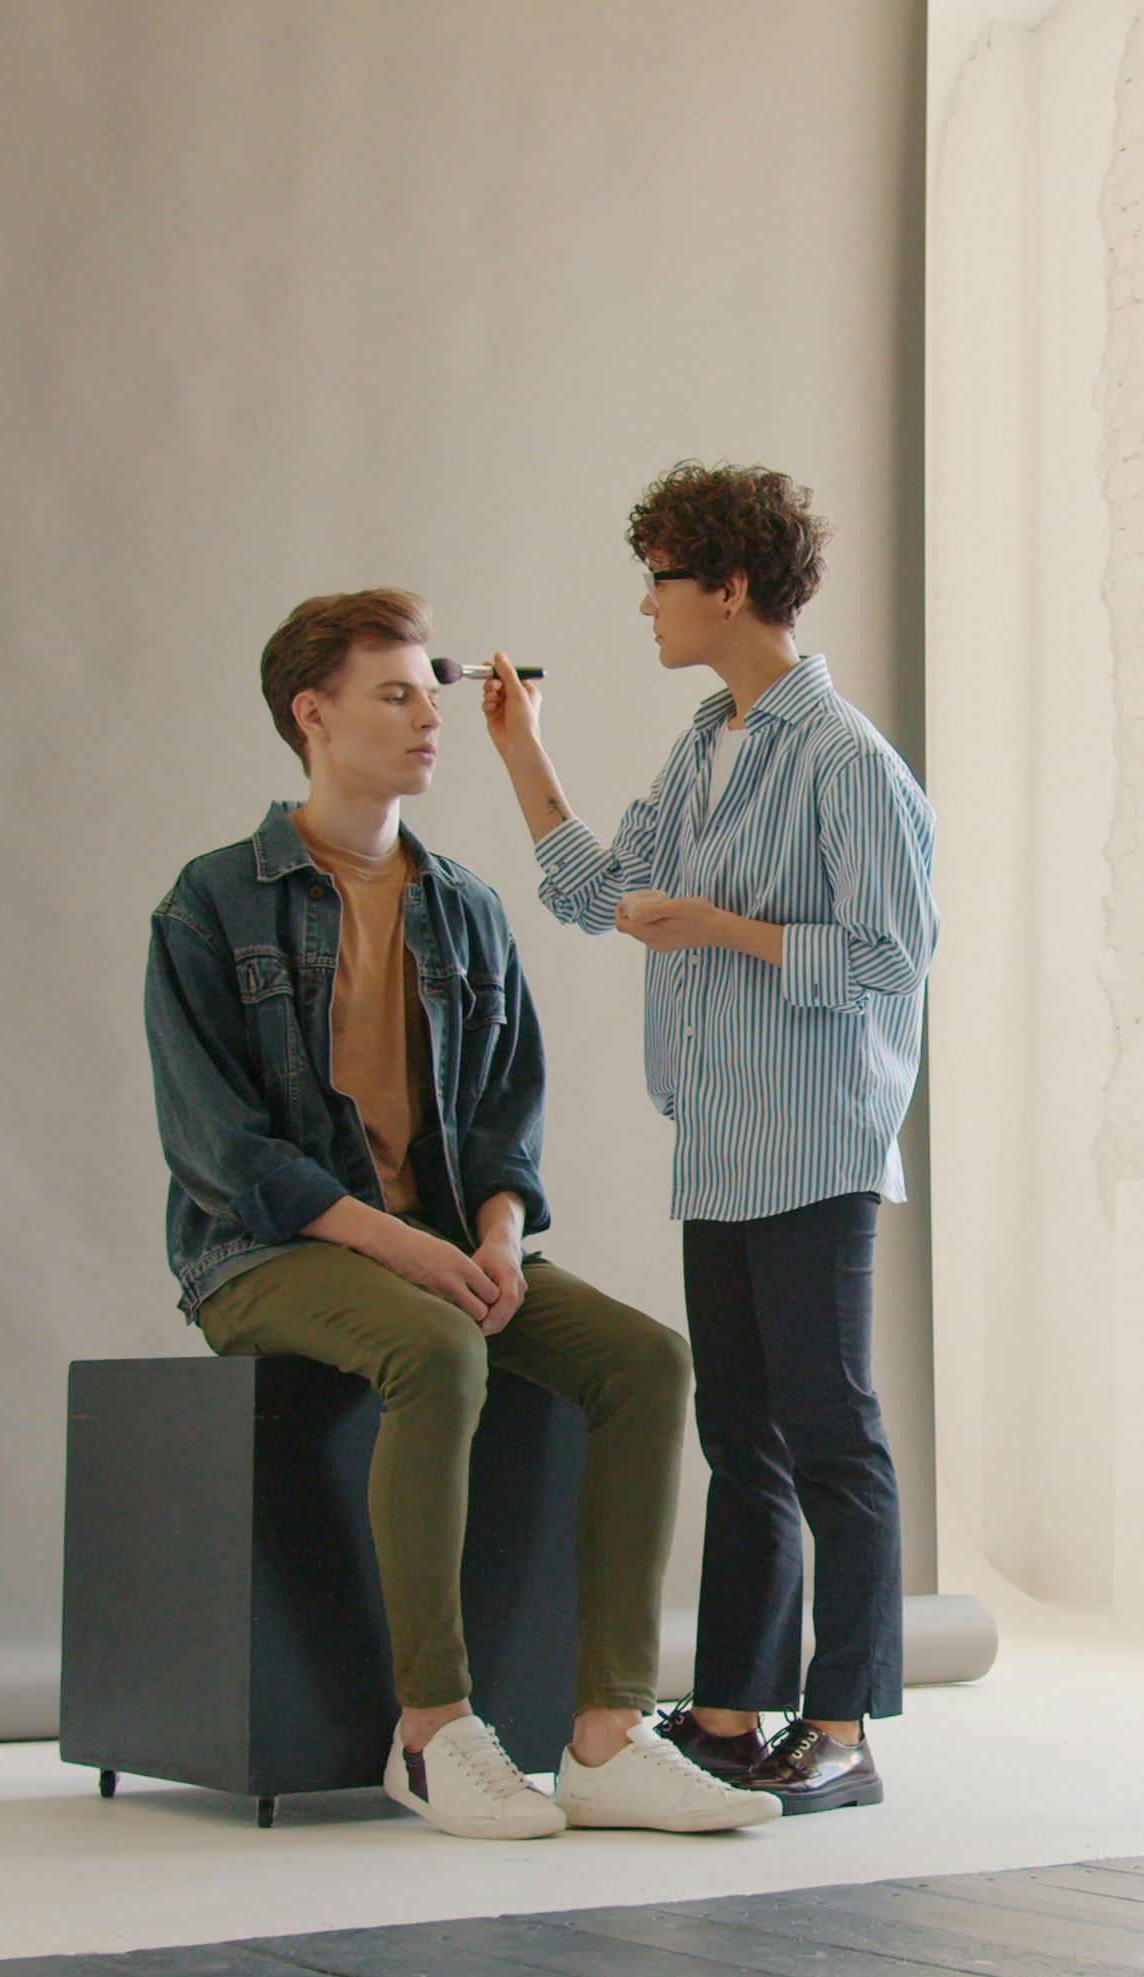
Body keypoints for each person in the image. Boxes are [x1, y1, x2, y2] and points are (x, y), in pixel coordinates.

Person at [147, 588, 778, 1841]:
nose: (427, 720)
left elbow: (505, 1118)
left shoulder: (465, 906)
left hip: (446, 1245)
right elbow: (223, 1152)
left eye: (426, 697)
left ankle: (605, 1737)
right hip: (263, 1254)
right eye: (394, 696)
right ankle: (432, 1732)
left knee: (647, 1362)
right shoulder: (213, 903)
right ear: (312, 715)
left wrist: (492, 1238)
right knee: (435, 1347)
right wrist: (407, 1250)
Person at [480, 464, 937, 1816]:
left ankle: (841, 1724)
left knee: (831, 1435)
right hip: (722, 1144)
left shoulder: (847, 760)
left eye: (663, 580)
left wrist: (723, 931)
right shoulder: (706, 744)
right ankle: (732, 1713)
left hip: (816, 1144)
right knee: (744, 1439)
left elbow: (894, 957)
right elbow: (606, 894)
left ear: (729, 587)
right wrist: (522, 751)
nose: (648, 605)